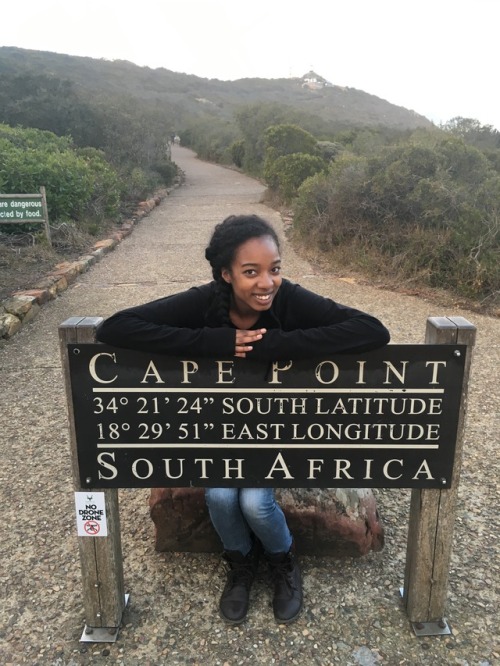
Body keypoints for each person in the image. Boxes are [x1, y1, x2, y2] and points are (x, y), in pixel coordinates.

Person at [96, 214, 390, 625]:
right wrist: (212, 342)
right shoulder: (204, 301)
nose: (266, 283)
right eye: (251, 272)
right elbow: (117, 327)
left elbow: (372, 331)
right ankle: (240, 565)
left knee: (253, 500)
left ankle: (283, 562)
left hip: (275, 425)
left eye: (274, 270)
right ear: (226, 274)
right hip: (219, 426)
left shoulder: (288, 299)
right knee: (219, 496)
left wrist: (279, 345)